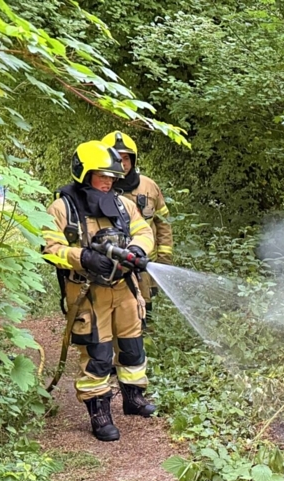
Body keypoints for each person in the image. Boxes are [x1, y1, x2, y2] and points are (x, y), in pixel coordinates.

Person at [42, 140, 156, 442]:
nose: (108, 182)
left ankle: (134, 398)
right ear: (84, 173)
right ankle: (99, 411)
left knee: (132, 345)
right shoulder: (62, 208)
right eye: (101, 176)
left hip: (125, 288)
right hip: (87, 292)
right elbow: (49, 248)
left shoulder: (123, 204)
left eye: (111, 177)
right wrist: (83, 257)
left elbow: (144, 231)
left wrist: (136, 249)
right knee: (98, 352)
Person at [101, 131, 173, 321]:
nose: (123, 163)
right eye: (117, 158)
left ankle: (144, 347)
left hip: (144, 268)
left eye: (126, 158)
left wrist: (164, 260)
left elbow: (163, 224)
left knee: (144, 317)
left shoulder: (149, 187)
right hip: (110, 269)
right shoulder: (100, 189)